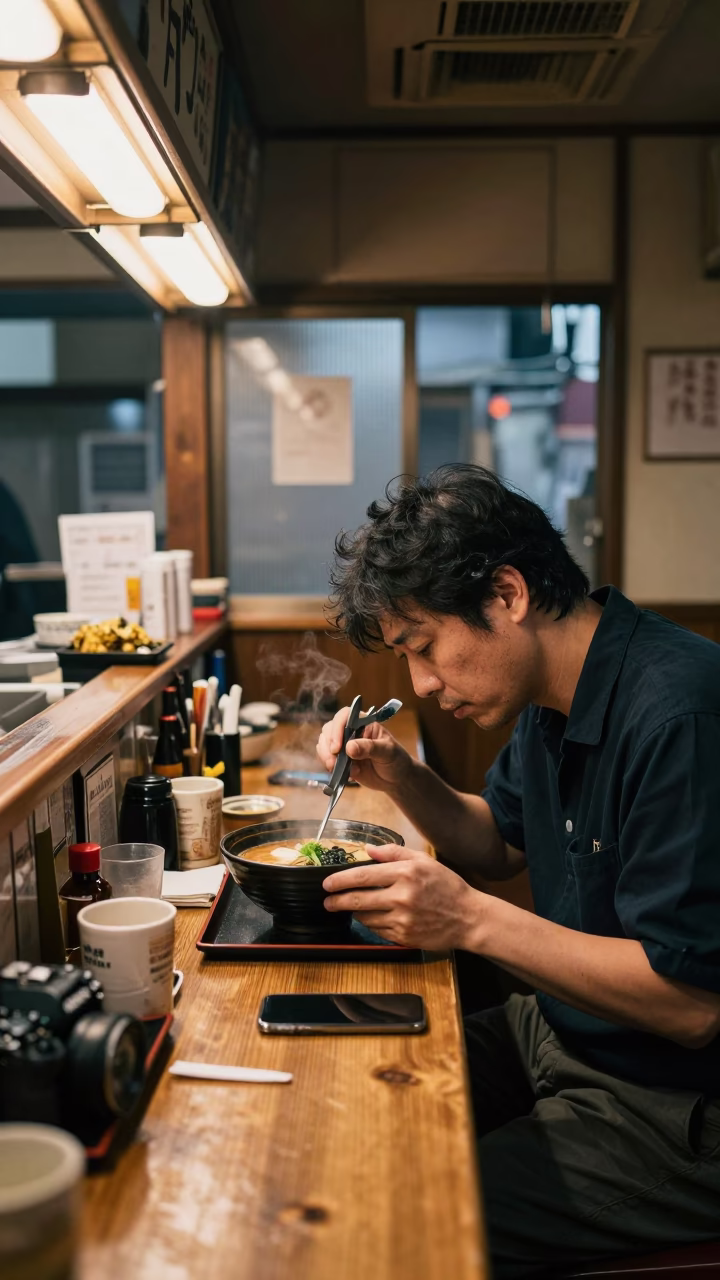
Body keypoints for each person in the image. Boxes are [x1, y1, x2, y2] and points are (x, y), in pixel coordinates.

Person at [316, 464, 720, 1279]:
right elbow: (497, 843)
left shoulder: (681, 714)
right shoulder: (551, 693)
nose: (421, 685)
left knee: (393, 1224)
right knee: (347, 1104)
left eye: (424, 648)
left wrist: (466, 919)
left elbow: (692, 1007)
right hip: (569, 1032)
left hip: (674, 1105)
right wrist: (399, 773)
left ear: (506, 594)